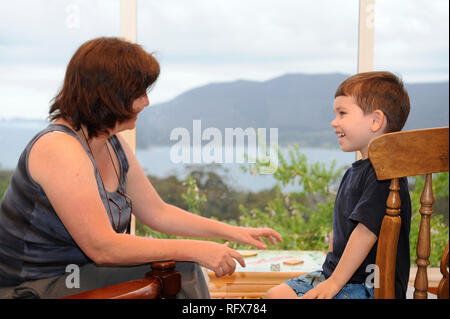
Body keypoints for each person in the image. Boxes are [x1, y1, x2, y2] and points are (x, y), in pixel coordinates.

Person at [0, 37, 282, 299]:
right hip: (32, 287)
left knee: (180, 268)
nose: (146, 102)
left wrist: (232, 231)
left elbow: (157, 212)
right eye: (139, 92)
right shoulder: (59, 149)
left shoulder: (112, 144)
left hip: (79, 276)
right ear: (110, 95)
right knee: (184, 269)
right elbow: (103, 247)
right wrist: (196, 249)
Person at [265, 71, 412, 299]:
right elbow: (341, 230)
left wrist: (334, 283)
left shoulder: (385, 175)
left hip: (370, 285)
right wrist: (331, 273)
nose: (334, 122)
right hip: (337, 275)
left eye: (342, 113)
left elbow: (365, 232)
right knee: (277, 295)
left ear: (375, 121)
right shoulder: (355, 171)